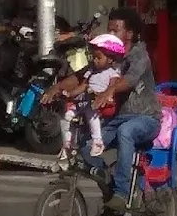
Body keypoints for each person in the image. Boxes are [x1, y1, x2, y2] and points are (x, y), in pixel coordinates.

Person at [86, 7, 161, 213]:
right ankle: (109, 185)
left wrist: (109, 90)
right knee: (86, 146)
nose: (110, 34)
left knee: (125, 131)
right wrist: (57, 89)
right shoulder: (108, 55)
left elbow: (130, 79)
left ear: (129, 33)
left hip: (146, 119)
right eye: (108, 29)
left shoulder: (140, 55)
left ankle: (121, 192)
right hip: (118, 119)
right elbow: (84, 74)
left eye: (115, 30)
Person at [44, 33, 127, 168]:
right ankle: (67, 144)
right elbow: (83, 86)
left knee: (92, 117)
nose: (95, 60)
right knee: (67, 116)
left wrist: (100, 95)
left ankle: (97, 141)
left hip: (96, 104)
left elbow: (111, 89)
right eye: (93, 57)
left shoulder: (113, 73)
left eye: (98, 58)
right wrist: (69, 93)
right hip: (84, 101)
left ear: (110, 60)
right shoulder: (91, 71)